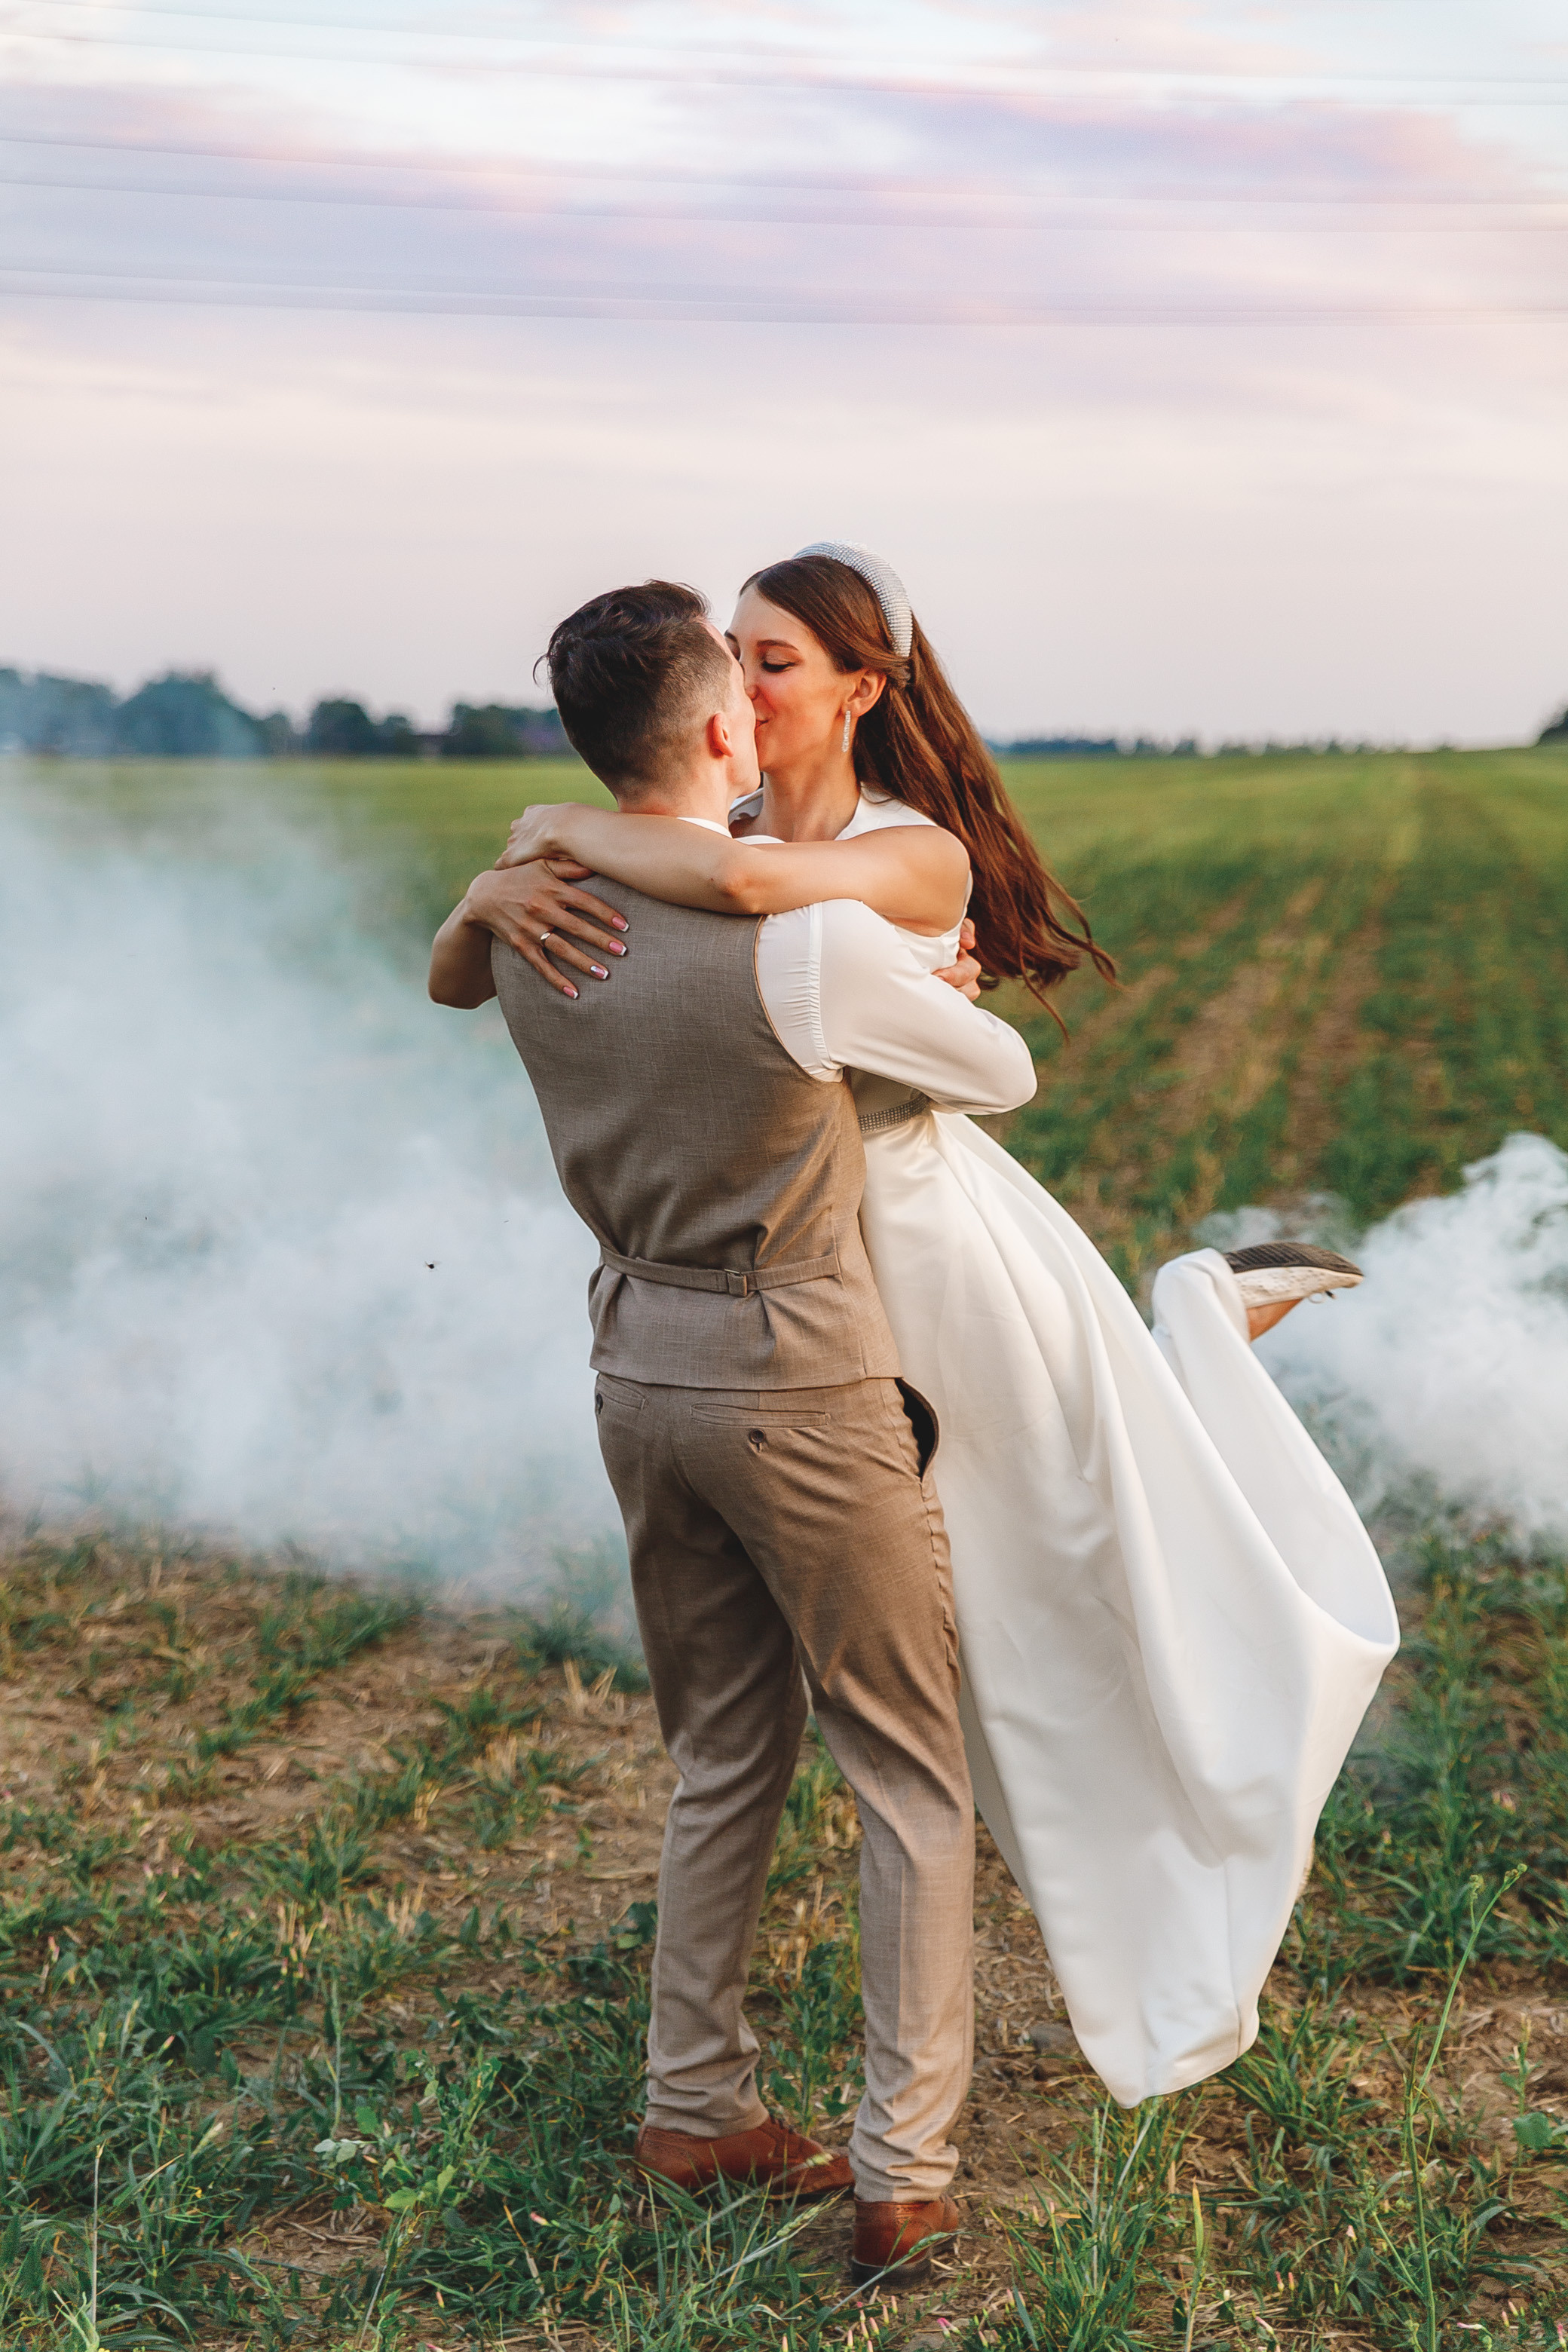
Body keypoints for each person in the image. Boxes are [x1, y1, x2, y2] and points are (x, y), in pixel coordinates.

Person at [485, 544, 1401, 2108]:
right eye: (735, 661)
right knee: (942, 1650)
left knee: (1077, 1587)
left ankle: (1192, 1326)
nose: (749, 690)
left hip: (928, 1251)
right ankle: (775, 2094)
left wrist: (557, 825)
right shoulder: (717, 830)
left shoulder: (897, 859)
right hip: (795, 1284)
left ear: (858, 687)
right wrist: (515, 878)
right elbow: (696, 928)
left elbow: (773, 922)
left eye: (778, 661)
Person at [429, 580, 1040, 2287]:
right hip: (803, 1376)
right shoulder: (808, 942)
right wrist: (924, 974)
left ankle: (693, 2104)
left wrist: (502, 870)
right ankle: (898, 2176)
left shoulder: (529, 913)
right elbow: (996, 1071)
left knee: (720, 1757)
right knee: (909, 1775)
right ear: (720, 733)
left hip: (635, 1366)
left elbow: (446, 981)